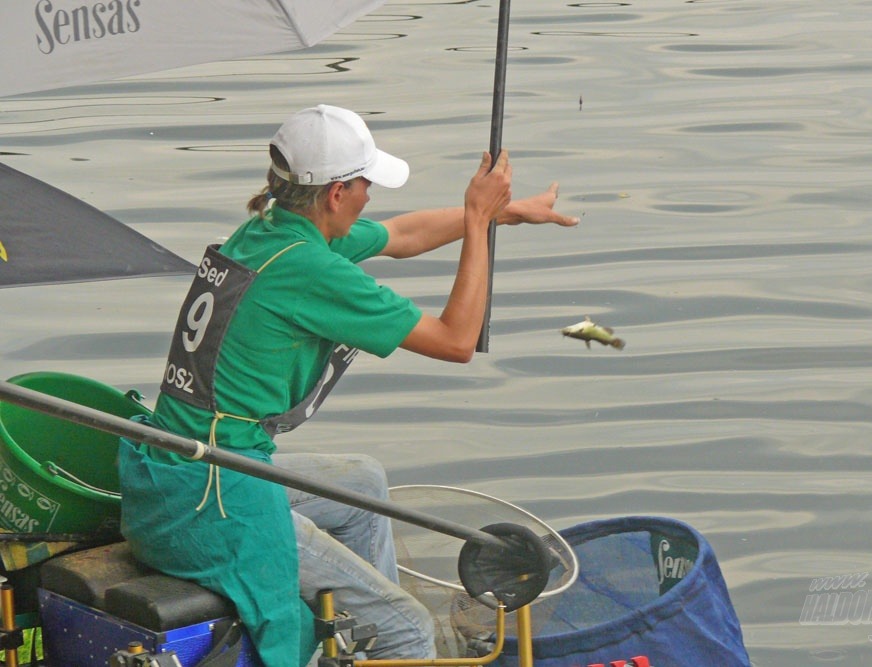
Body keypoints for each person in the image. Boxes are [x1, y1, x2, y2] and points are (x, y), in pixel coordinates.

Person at [117, 104, 578, 667]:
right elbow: (457, 340)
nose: (370, 196)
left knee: (363, 480)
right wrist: (478, 224)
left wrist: (498, 212)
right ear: (336, 194)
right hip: (215, 499)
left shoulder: (268, 233)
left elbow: (403, 234)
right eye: (365, 184)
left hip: (175, 472)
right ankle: (397, 641)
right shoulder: (312, 271)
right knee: (409, 624)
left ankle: (365, 636)